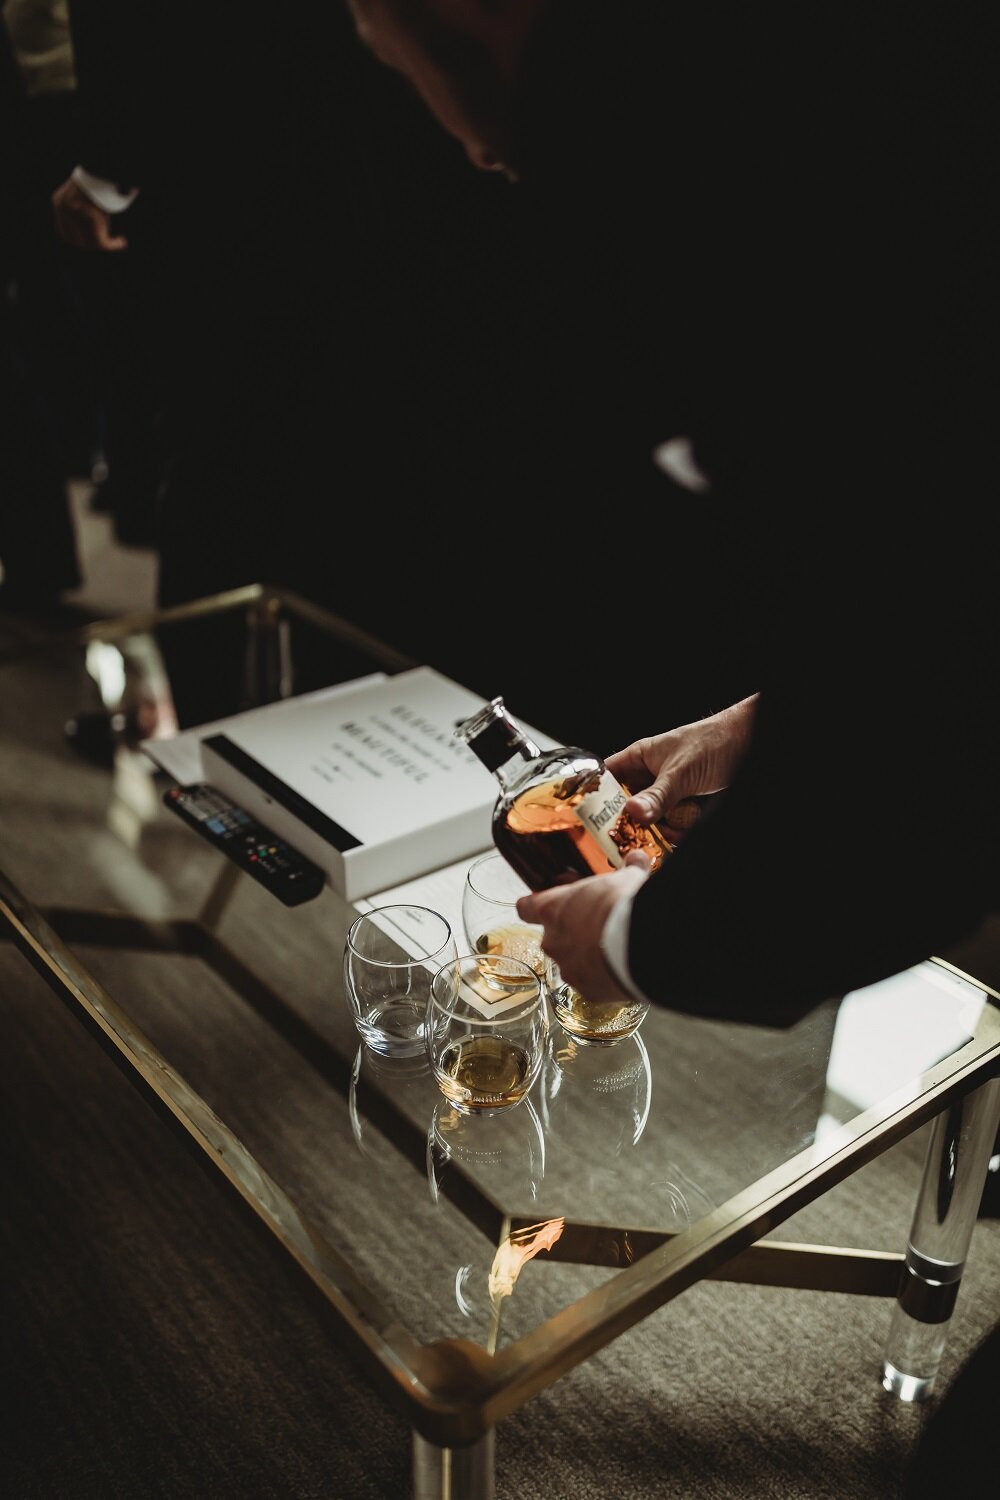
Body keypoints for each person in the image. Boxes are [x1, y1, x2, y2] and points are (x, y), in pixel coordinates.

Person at [344, 4, 999, 1488]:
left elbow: (886, 821)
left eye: (415, 78)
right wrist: (769, 726)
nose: (473, 151)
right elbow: (950, 569)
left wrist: (638, 942)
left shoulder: (725, 182)